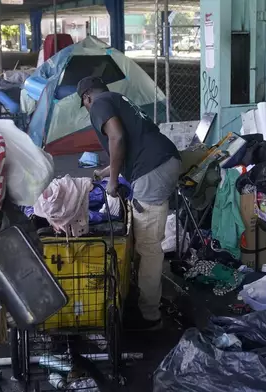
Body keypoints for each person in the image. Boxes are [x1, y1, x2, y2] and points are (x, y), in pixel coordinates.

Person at [78, 76, 181, 331]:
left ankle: (150, 316)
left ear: (87, 98)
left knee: (148, 246)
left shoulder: (99, 104)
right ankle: (143, 300)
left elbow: (117, 137)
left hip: (153, 169)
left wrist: (113, 181)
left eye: (85, 105)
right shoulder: (117, 99)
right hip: (163, 161)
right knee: (143, 239)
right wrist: (106, 171)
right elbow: (132, 144)